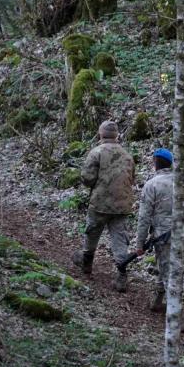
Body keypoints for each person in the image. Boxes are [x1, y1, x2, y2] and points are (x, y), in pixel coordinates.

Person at [72, 120, 134, 292]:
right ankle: (122, 276)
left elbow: (87, 178)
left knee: (92, 231)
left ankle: (86, 263)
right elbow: (131, 178)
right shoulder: (127, 155)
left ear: (100, 134)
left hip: (100, 202)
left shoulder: (96, 152)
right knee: (119, 239)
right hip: (122, 204)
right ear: (116, 135)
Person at [135, 148, 184, 313]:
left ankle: (177, 316)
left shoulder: (151, 185)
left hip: (164, 236)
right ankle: (157, 301)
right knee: (171, 268)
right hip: (183, 234)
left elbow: (144, 217)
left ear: (155, 163)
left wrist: (139, 243)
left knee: (168, 273)